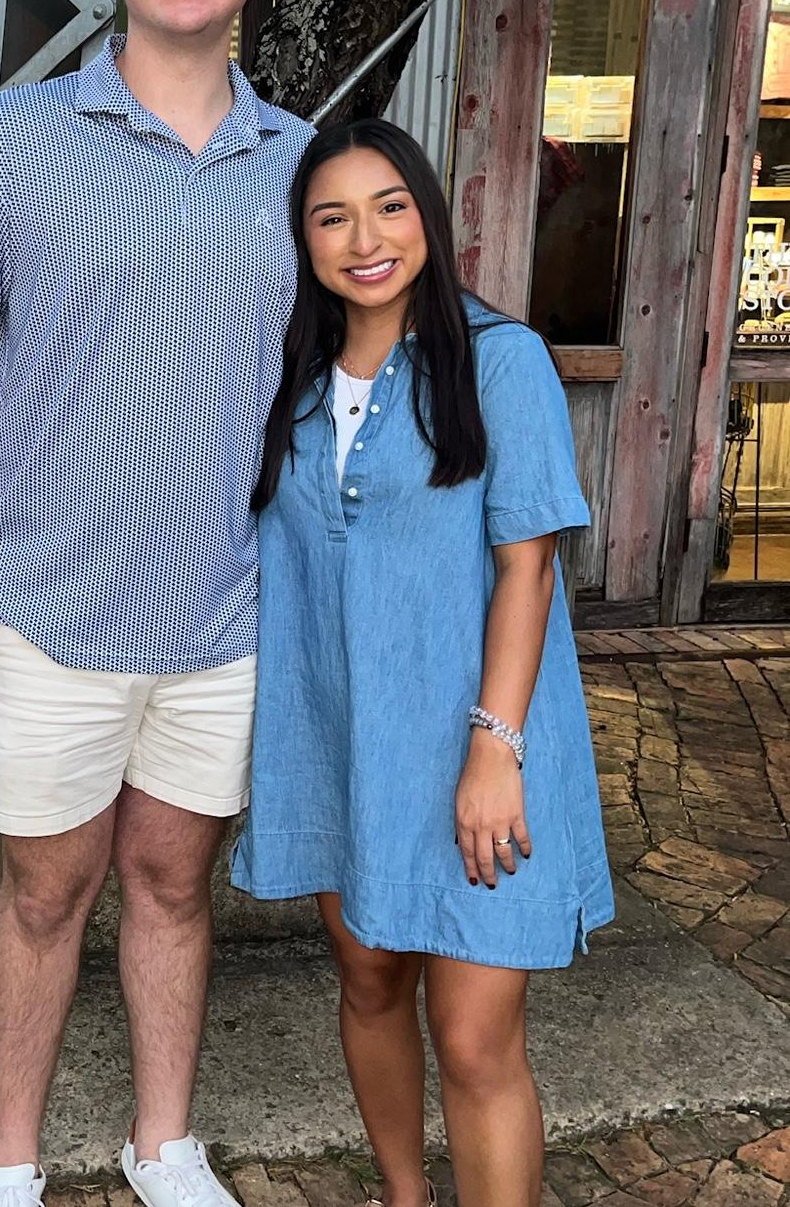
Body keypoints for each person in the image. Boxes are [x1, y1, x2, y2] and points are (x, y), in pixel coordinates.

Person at [0, 0, 313, 1207]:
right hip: (46, 609)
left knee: (175, 888)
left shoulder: (305, 168)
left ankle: (163, 1145)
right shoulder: (15, 142)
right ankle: (7, 1159)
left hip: (222, 613)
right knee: (42, 894)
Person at [232, 119, 613, 1207]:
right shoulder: (294, 379)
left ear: (430, 216)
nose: (365, 238)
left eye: (390, 205)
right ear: (302, 239)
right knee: (367, 980)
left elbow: (527, 570)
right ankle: (405, 1196)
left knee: (476, 1033)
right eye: (332, 216)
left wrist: (495, 749)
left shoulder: (500, 361)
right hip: (344, 739)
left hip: (478, 740)